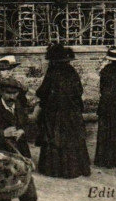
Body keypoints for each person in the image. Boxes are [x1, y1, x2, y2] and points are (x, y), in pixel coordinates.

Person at [35, 43, 91, 178]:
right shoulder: (72, 72)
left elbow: (43, 91)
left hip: (54, 114)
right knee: (72, 138)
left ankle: (55, 169)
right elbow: (79, 91)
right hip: (72, 112)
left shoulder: (52, 72)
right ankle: (75, 168)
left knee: (55, 138)